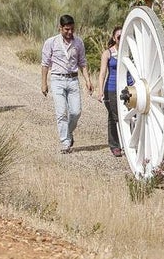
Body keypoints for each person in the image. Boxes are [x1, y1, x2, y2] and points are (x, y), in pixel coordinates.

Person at [40, 14, 94, 154]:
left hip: (73, 80)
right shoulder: (50, 42)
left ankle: (68, 132)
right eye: (66, 29)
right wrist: (44, 83)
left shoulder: (78, 43)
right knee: (61, 112)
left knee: (76, 112)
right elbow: (45, 64)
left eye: (72, 29)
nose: (70, 32)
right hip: (57, 79)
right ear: (60, 28)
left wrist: (87, 80)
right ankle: (65, 142)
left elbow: (82, 63)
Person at [96, 27, 125, 157]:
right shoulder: (107, 53)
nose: (120, 38)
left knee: (130, 116)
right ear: (114, 38)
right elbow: (102, 73)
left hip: (127, 87)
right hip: (112, 88)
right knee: (114, 117)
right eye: (118, 37)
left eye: (123, 36)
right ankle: (115, 145)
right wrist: (100, 90)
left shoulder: (129, 51)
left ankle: (129, 143)